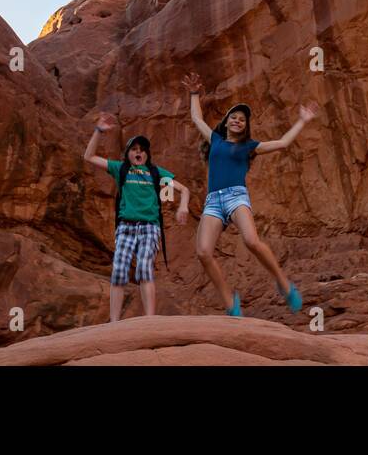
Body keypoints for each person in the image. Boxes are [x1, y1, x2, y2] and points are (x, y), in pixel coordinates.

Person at [183, 73, 315, 317]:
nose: (237, 121)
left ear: (246, 126)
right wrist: (193, 94)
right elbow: (196, 117)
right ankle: (230, 302)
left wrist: (302, 121)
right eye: (233, 117)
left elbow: (283, 143)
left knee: (251, 241)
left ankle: (284, 284)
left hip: (236, 197)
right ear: (226, 121)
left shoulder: (249, 146)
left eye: (242, 120)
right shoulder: (215, 139)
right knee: (203, 252)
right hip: (213, 201)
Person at [83, 112, 191, 322]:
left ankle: (149, 321)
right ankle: (114, 322)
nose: (138, 153)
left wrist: (183, 207)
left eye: (142, 150)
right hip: (126, 226)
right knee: (119, 270)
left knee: (144, 268)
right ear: (128, 154)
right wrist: (98, 131)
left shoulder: (155, 173)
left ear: (147, 154)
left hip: (149, 226)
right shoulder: (121, 169)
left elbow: (183, 189)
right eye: (134, 150)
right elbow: (88, 157)